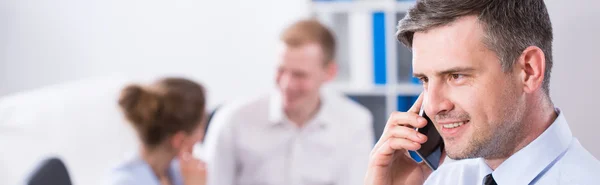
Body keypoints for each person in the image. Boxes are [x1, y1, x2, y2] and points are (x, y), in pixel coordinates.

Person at [364, 0, 600, 184]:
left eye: (456, 76)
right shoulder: (440, 179)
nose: (434, 106)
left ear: (528, 70)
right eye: (425, 79)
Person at [203, 19, 374, 185]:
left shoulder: (355, 123)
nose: (286, 84)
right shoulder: (233, 119)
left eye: (299, 75)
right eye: (281, 70)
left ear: (329, 73)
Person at [109, 77, 208, 185]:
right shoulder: (124, 182)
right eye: (201, 127)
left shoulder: (178, 173)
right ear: (179, 140)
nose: (201, 137)